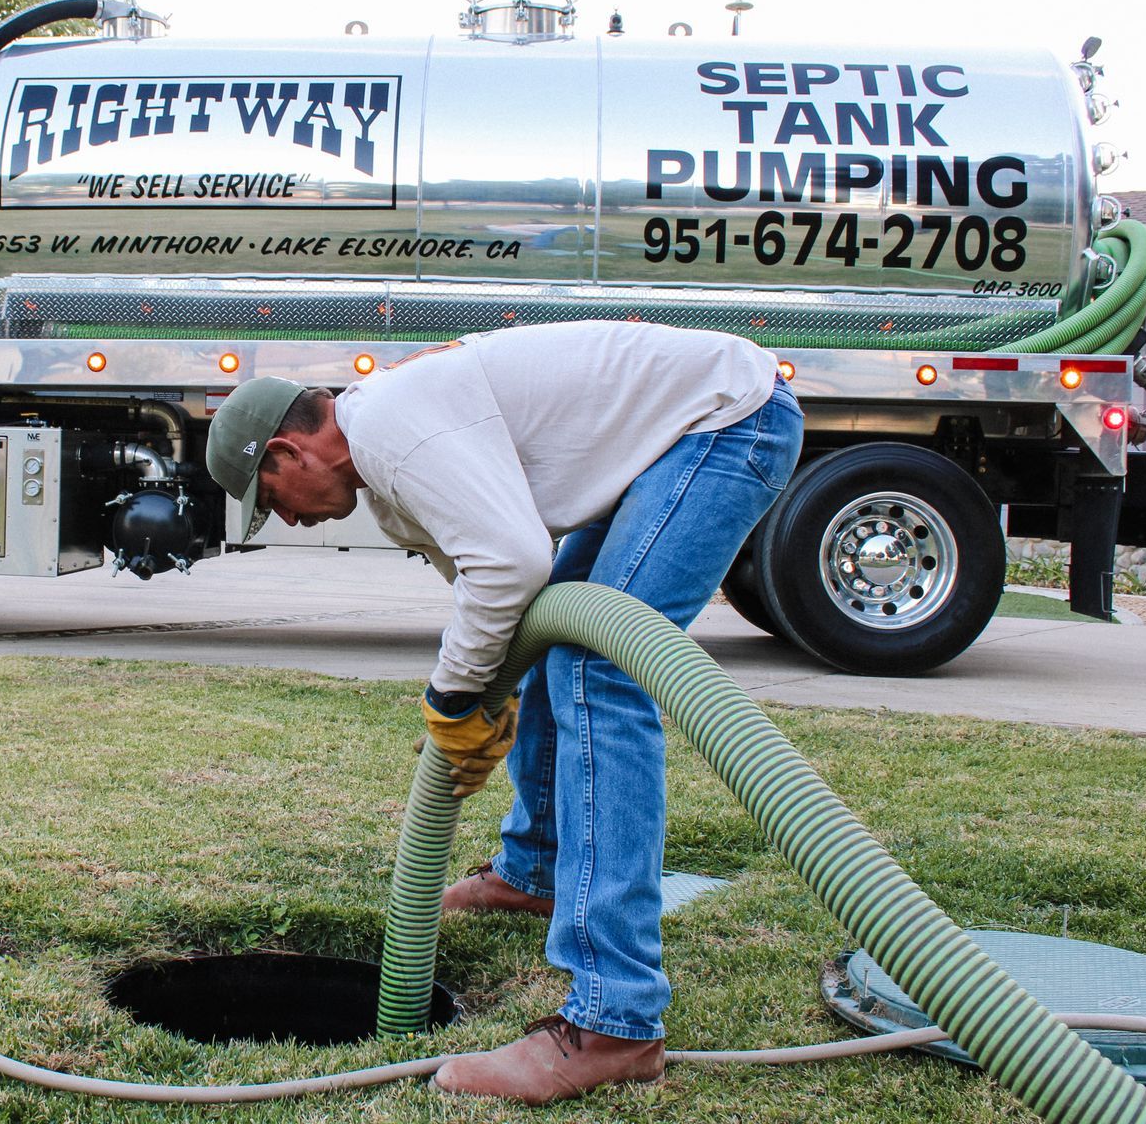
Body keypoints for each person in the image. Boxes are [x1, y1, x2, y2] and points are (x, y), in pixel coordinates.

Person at [205, 318, 803, 1103]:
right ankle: (537, 870)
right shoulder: (388, 460)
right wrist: (486, 698)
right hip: (678, 436)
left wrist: (452, 699)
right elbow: (506, 599)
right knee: (563, 641)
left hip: (725, 420)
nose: (287, 519)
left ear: (287, 453)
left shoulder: (388, 430)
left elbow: (512, 564)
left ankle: (613, 1025)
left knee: (601, 667)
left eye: (272, 500)